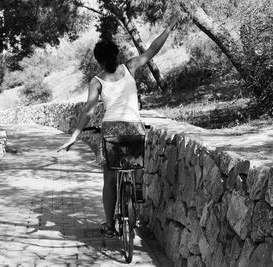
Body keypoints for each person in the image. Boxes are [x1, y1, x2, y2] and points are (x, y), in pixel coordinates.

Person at [57, 14, 179, 237]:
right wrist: (169, 27)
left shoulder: (97, 81)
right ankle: (138, 187)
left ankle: (110, 226)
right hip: (133, 127)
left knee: (110, 179)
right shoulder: (129, 67)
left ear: (98, 60)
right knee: (135, 165)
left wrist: (74, 136)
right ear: (116, 55)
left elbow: (88, 112)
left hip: (112, 130)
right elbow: (151, 51)